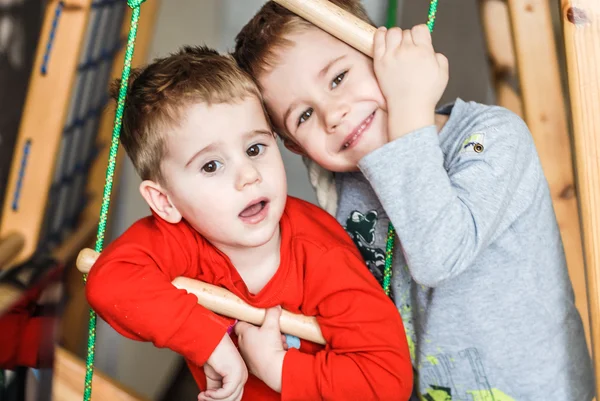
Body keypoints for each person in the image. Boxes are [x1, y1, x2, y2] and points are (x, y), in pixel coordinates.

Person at [233, 1, 595, 399]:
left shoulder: (491, 138)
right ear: (294, 146)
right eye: (303, 116)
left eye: (338, 78)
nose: (332, 114)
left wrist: (409, 104)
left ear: (383, 56)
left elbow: (438, 255)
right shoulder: (340, 187)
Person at [85, 45, 413, 401]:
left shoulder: (319, 255)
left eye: (255, 149)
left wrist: (275, 368)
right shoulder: (179, 238)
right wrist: (209, 343)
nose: (248, 176)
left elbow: (388, 381)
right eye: (211, 165)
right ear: (165, 202)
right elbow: (109, 281)